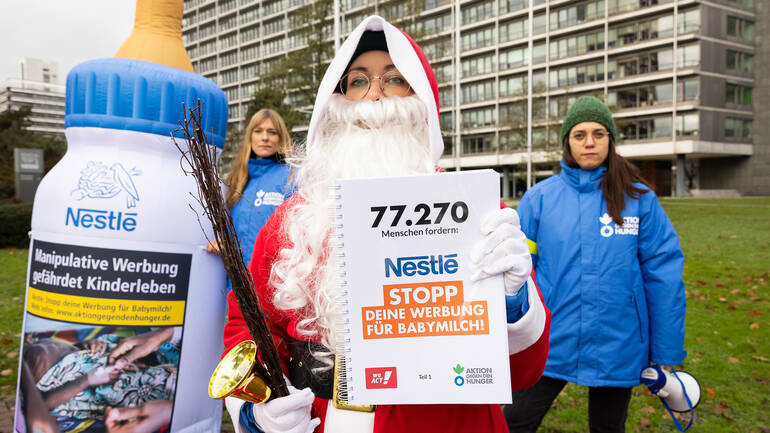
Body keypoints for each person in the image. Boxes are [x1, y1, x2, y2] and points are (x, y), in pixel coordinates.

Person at [222, 15, 551, 433]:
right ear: (336, 101)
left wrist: (511, 300)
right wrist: (259, 408)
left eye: (394, 80)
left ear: (421, 103)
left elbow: (523, 371)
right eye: (358, 81)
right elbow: (248, 323)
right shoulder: (295, 219)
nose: (375, 97)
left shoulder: (478, 212)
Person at [504, 96, 687, 433]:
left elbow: (663, 276)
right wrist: (511, 330)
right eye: (579, 134)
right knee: (513, 424)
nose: (589, 142)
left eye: (599, 133)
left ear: (610, 140)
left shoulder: (639, 199)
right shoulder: (539, 199)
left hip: (618, 342)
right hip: (550, 339)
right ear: (567, 143)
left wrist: (666, 351)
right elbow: (517, 271)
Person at [207, 108, 295, 265]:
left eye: (272, 132)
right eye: (258, 131)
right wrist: (220, 242)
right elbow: (228, 231)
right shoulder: (236, 180)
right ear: (250, 137)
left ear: (281, 138)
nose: (265, 137)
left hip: (274, 281)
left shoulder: (294, 177)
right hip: (236, 283)